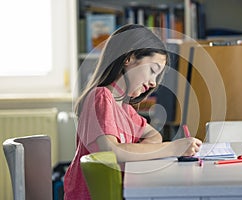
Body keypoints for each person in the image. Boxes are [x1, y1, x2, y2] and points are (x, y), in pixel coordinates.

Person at [64, 24, 202, 199]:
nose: (154, 83)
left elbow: (154, 136)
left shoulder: (124, 108)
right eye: (153, 71)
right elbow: (112, 151)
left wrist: (134, 152)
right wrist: (173, 148)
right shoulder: (101, 96)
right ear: (129, 58)